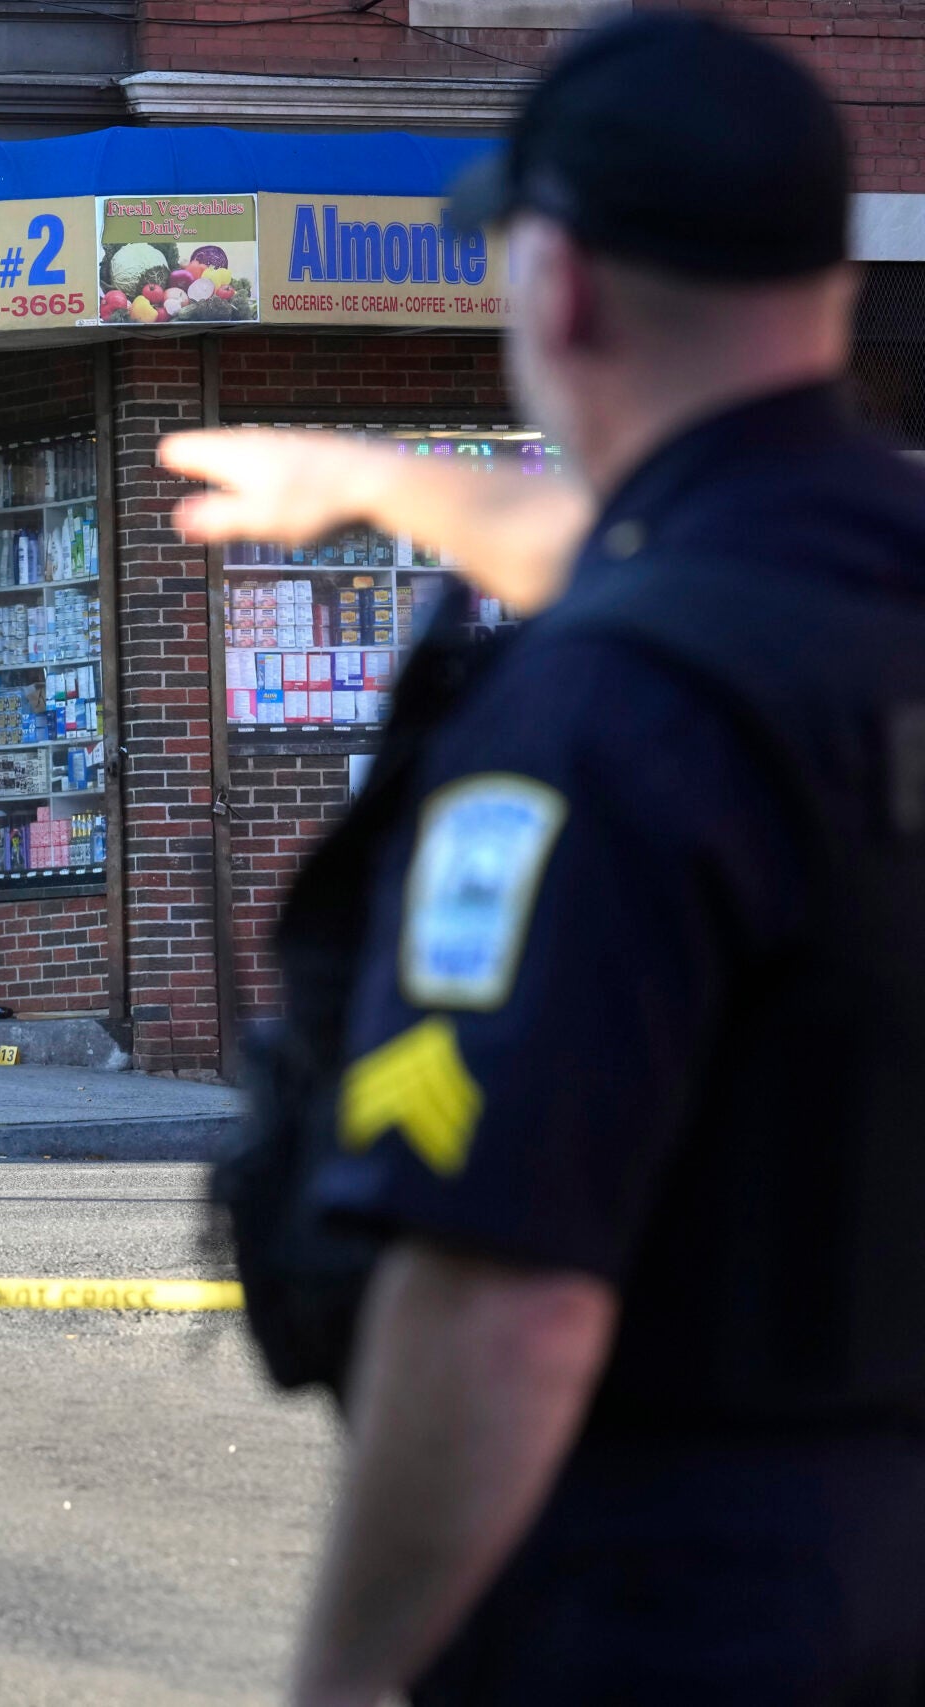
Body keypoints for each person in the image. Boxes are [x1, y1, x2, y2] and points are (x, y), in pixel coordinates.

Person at [168, 16, 925, 1705]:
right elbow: (690, 546)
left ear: (562, 286)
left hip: (683, 1604)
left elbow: (502, 1305)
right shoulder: (853, 588)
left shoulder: (602, 717)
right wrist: (383, 481)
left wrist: (349, 1676)